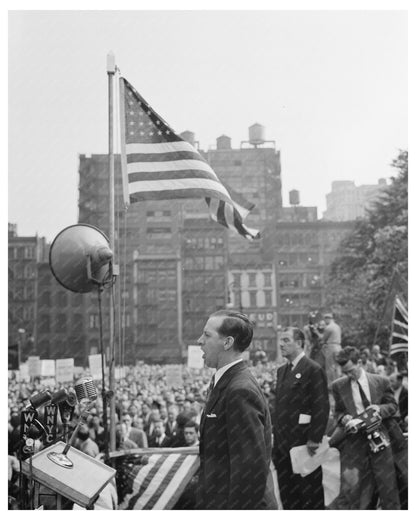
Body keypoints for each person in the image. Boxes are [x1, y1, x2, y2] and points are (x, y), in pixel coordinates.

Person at [196, 309, 273, 510]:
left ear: (228, 342)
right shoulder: (227, 382)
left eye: (207, 334)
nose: (199, 341)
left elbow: (250, 469)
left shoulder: (239, 390)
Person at [330, 346, 401, 509]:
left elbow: (393, 406)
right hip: (354, 443)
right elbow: (338, 412)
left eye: (351, 371)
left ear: (360, 362)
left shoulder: (381, 381)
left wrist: (379, 410)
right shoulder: (338, 385)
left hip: (380, 441)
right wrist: (344, 418)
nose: (348, 375)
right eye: (345, 372)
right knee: (351, 489)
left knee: (387, 487)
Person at [272, 326, 329, 510]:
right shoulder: (282, 371)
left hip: (304, 443)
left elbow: (321, 405)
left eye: (286, 340)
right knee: (288, 494)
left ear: (299, 343)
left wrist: (314, 437)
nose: (281, 344)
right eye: (281, 340)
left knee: (309, 493)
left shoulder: (313, 369)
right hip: (282, 445)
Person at [321, 312, 342, 385]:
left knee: (330, 367)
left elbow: (323, 340)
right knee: (337, 366)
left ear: (327, 319)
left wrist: (317, 332)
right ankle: (339, 382)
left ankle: (331, 385)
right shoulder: (337, 326)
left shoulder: (328, 327)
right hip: (338, 347)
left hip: (331, 347)